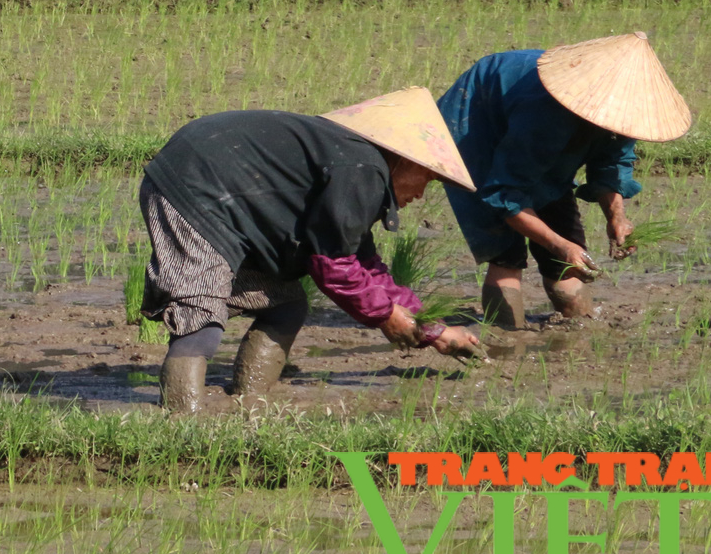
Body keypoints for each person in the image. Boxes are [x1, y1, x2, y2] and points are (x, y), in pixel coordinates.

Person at [141, 88, 484, 412]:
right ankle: (183, 421)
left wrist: (433, 329)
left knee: (285, 305)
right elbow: (334, 268)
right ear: (405, 161)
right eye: (427, 178)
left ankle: (250, 404)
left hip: (222, 195)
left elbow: (363, 264)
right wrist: (384, 316)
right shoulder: (362, 169)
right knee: (199, 313)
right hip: (192, 184)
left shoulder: (356, 167)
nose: (422, 193)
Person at [438, 33, 692, 331]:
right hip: (479, 121)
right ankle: (506, 338)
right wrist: (559, 245)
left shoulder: (625, 110)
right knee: (506, 253)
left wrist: (617, 217)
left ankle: (576, 328)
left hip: (539, 133)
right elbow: (505, 194)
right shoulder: (544, 110)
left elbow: (612, 164)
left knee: (567, 249)